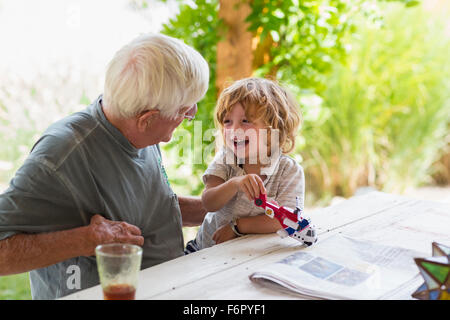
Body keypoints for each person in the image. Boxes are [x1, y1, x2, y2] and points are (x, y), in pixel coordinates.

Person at [0, 33, 209, 299]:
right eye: (184, 111)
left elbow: (148, 206)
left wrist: (224, 207)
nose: (189, 116)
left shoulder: (139, 132)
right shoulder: (61, 156)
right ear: (147, 118)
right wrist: (85, 240)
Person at [184, 77, 304, 253]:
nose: (234, 130)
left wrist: (237, 227)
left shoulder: (288, 171)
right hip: (204, 251)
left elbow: (286, 220)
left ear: (273, 127)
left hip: (251, 254)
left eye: (245, 121)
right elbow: (208, 202)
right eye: (227, 121)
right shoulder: (226, 159)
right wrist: (234, 184)